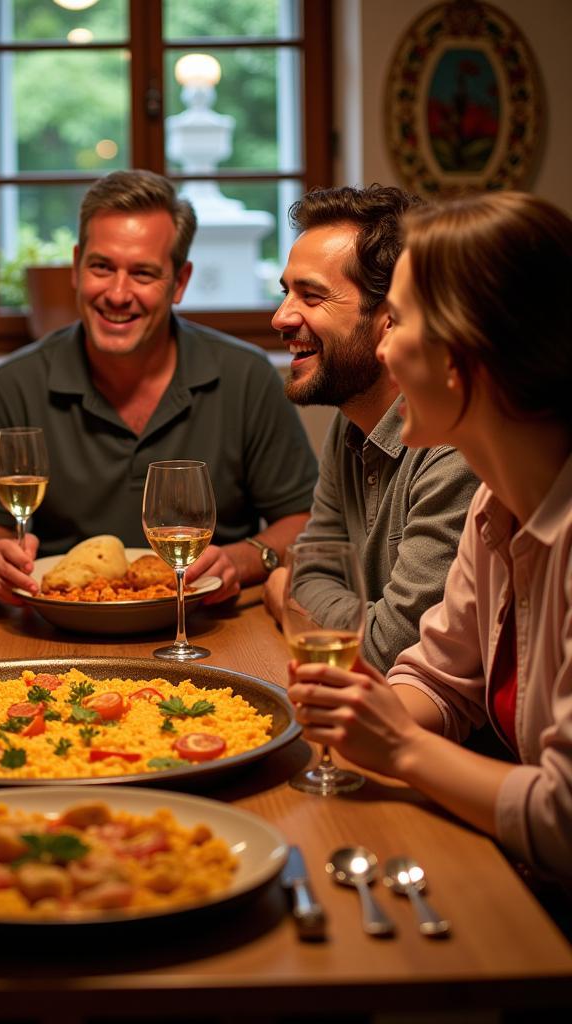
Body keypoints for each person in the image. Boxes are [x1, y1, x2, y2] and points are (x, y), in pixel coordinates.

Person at [288, 191, 572, 884]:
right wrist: (371, 706)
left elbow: (564, 818)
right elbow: (439, 676)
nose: (383, 349)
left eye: (401, 322)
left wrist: (400, 748)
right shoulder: (493, 504)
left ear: (462, 356)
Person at [0, 169, 317, 606]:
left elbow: (302, 519)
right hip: (61, 630)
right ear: (76, 267)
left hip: (211, 627)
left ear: (181, 282)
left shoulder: (246, 376)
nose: (117, 293)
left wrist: (244, 558)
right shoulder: (14, 384)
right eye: (101, 267)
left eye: (143, 274)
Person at [261, 185, 480, 672]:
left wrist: (284, 599)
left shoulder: (456, 448)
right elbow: (310, 571)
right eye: (286, 292)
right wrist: (294, 590)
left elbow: (389, 649)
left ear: (389, 320)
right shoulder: (351, 422)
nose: (281, 317)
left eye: (311, 296)